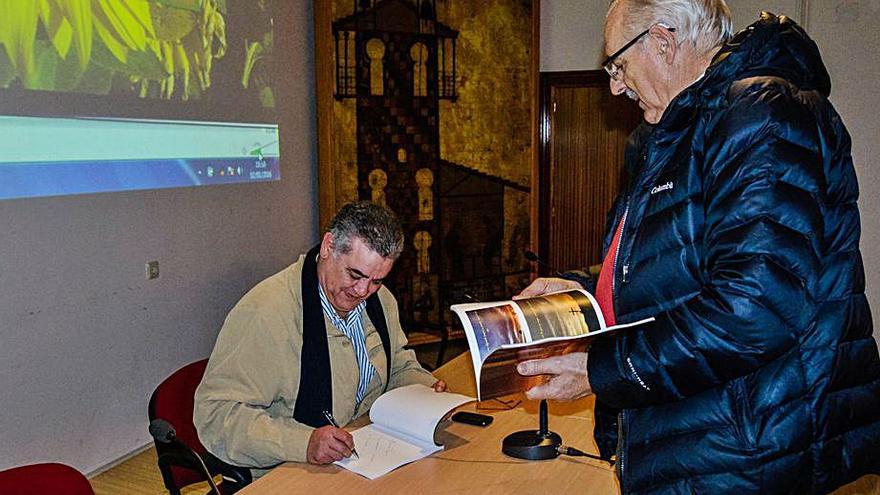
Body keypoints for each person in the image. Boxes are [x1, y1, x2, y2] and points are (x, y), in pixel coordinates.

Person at [516, 1, 880, 493]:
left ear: (663, 41)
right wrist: (585, 290)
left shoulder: (760, 114)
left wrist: (603, 369)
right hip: (708, 442)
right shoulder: (675, 133)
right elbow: (683, 266)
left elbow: (754, 308)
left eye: (618, 65)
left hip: (755, 454)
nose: (616, 86)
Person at [194, 201, 446, 469]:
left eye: (376, 280)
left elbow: (397, 365)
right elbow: (216, 416)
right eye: (355, 274)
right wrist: (303, 442)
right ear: (328, 247)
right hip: (287, 469)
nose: (363, 291)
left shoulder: (380, 301)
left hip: (361, 454)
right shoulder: (266, 312)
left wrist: (425, 389)